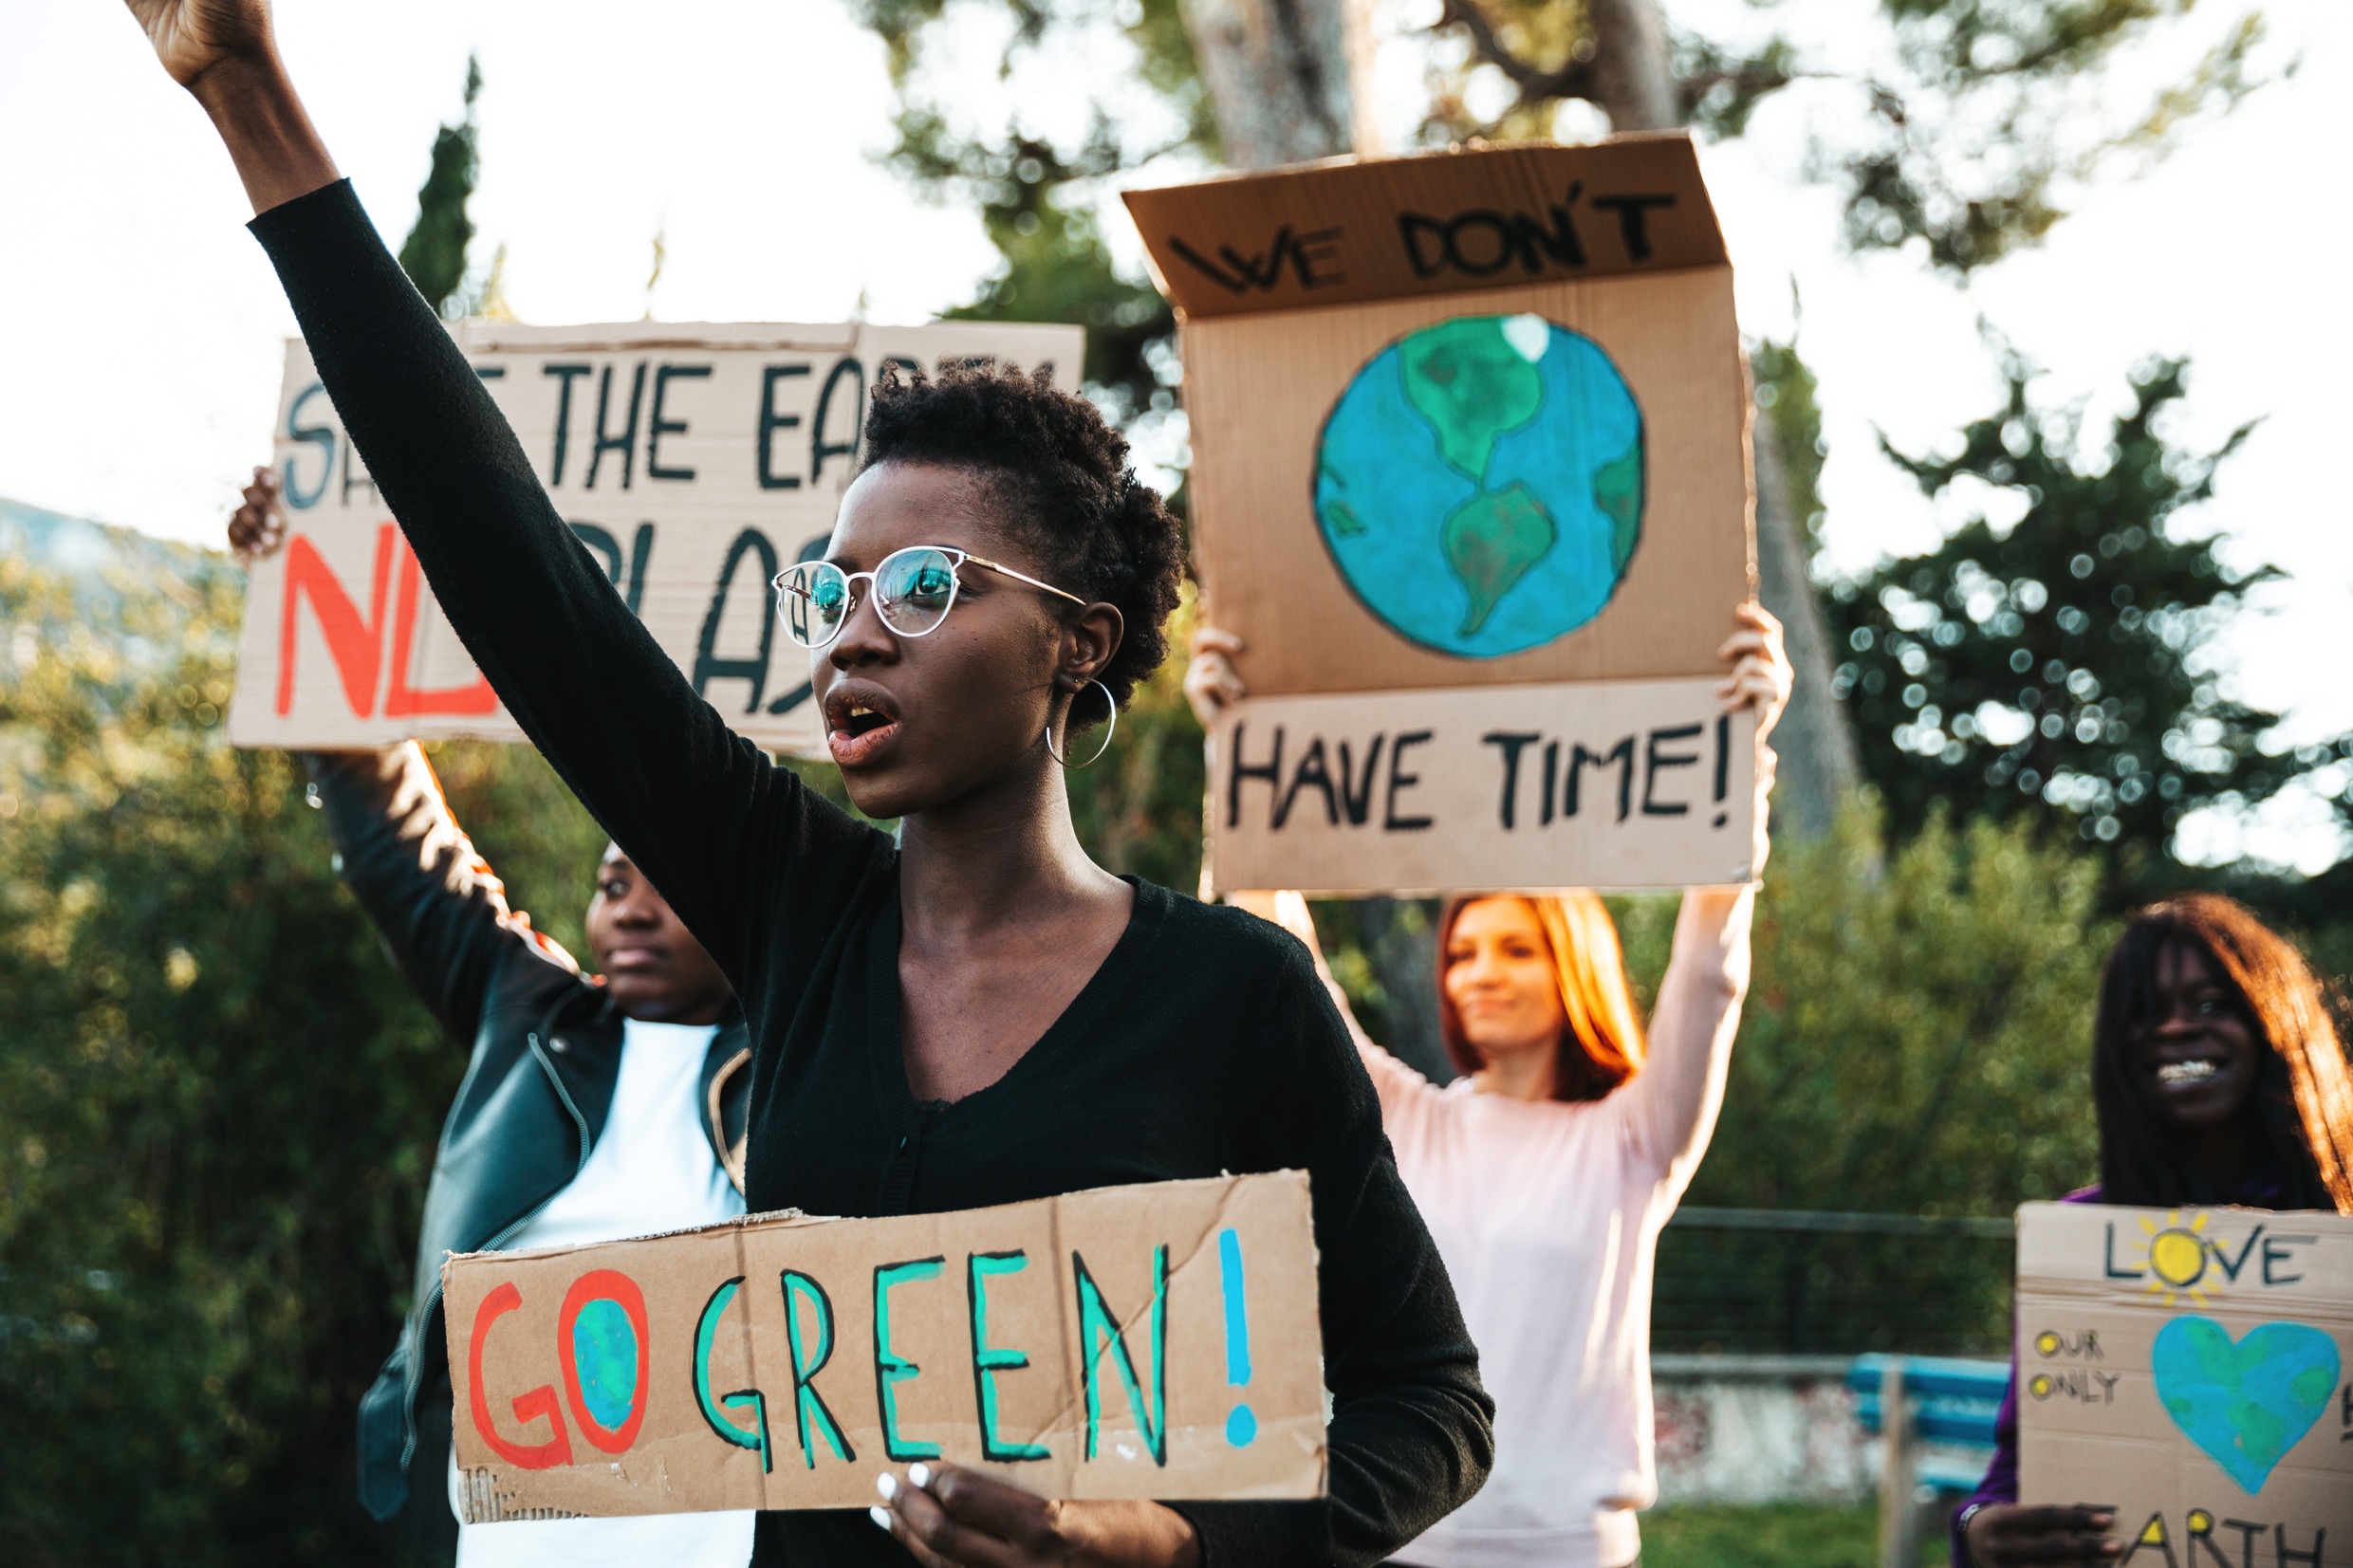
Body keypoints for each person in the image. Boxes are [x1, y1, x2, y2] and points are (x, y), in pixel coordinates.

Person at [127, 8, 1496, 1565]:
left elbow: (1430, 1408)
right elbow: (515, 570)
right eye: (829, 589)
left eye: (920, 583)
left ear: (1074, 643)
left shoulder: (1239, 996)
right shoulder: (794, 909)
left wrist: (1156, 1541)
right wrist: (247, 90)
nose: (852, 632)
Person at [227, 474, 757, 1568]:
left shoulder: (810, 1051)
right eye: (611, 879)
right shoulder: (526, 1011)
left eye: (663, 877)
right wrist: (302, 593)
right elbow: (396, 834)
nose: (629, 900)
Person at [1186, 607, 1788, 1568]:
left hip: (1567, 1552)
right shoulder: (1403, 1119)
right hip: (1396, 1540)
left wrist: (1741, 750)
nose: (1479, 971)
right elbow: (1281, 962)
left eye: (1515, 948)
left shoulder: (1634, 1136)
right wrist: (1237, 748)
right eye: (1462, 950)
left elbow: (1709, 971)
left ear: (1572, 967)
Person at [1954, 894, 2353, 1568]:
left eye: (2208, 1004)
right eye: (2144, 1012)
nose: (2173, 1029)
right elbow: (2019, 1467)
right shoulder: (2082, 1242)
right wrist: (1978, 1529)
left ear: (2271, 1021)